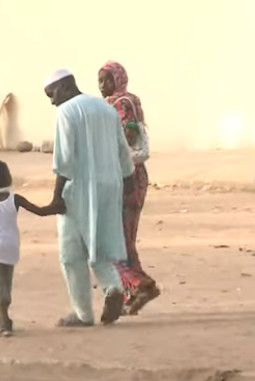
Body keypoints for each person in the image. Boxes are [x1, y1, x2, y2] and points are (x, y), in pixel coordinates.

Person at [43, 69, 135, 327]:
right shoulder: (106, 109)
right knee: (102, 246)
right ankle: (113, 288)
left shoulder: (66, 111)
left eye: (51, 94)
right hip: (110, 185)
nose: (52, 101)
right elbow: (122, 152)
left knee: (71, 253)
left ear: (64, 86)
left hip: (78, 188)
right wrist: (126, 185)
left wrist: (55, 198)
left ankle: (83, 314)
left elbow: (64, 159)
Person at [0, 160, 62, 337]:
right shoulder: (15, 199)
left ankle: (4, 323)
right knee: (6, 284)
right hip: (11, 249)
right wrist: (57, 207)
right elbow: (40, 211)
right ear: (8, 177)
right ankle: (3, 317)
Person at [98, 61, 160, 315]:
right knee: (124, 239)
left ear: (118, 80)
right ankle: (132, 292)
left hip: (127, 177)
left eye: (107, 80)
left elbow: (130, 135)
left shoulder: (121, 103)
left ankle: (139, 284)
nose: (102, 86)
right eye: (100, 80)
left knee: (114, 239)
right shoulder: (123, 100)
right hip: (130, 175)